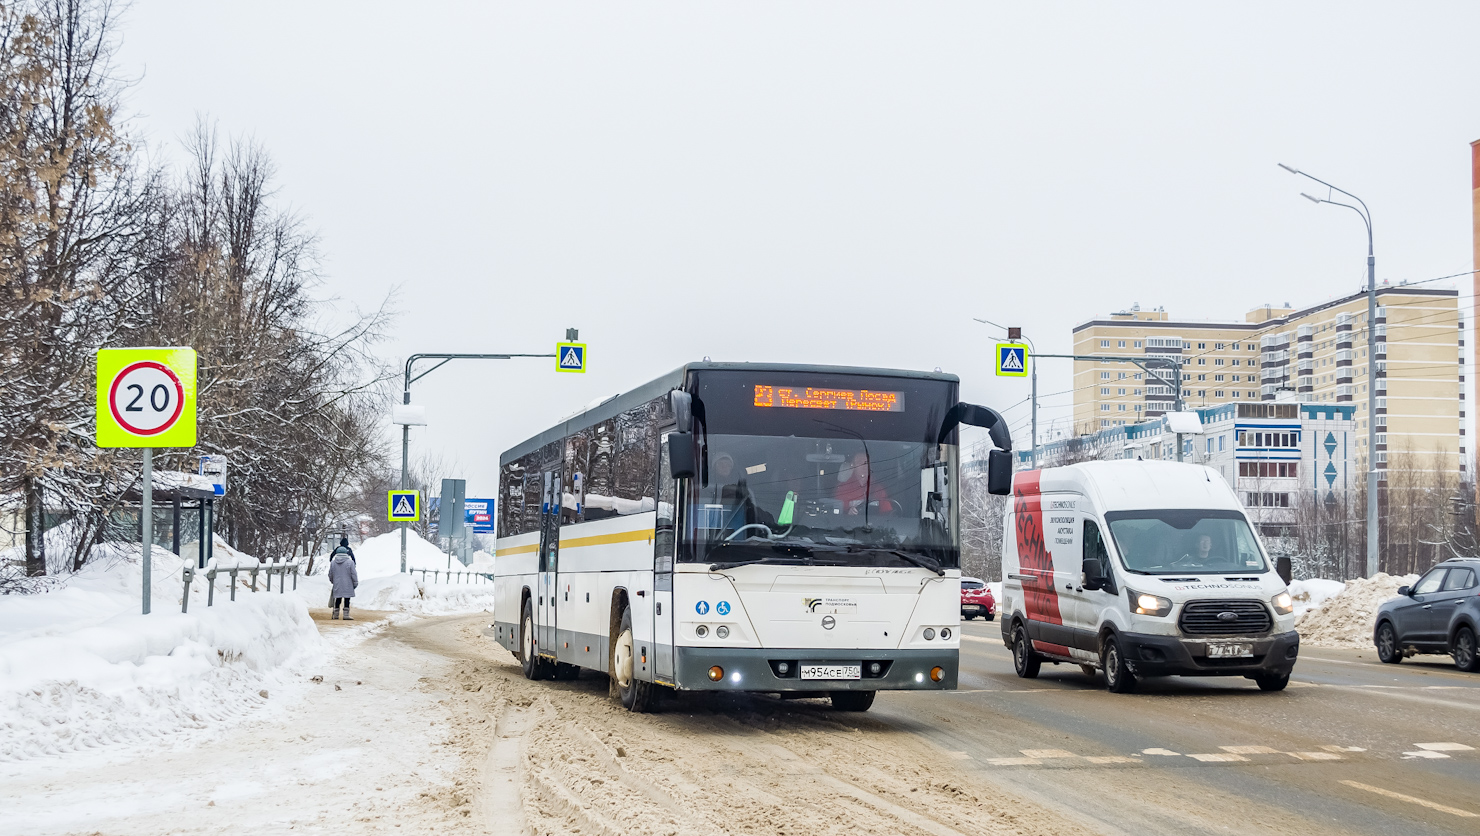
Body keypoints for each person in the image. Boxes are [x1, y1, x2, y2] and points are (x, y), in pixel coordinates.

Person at [328, 545, 359, 620]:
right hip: (348, 584)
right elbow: (353, 573)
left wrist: (333, 581)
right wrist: (355, 582)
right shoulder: (350, 562)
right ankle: (346, 615)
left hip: (337, 583)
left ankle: (336, 615)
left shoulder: (333, 563)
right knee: (347, 599)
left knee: (337, 599)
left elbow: (330, 574)